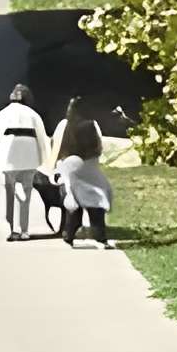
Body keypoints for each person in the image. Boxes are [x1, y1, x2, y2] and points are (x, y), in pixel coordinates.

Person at [0, 83, 51, 242]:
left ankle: (10, 229)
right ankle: (24, 230)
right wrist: (45, 161)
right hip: (30, 159)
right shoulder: (33, 115)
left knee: (9, 193)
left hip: (8, 158)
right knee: (26, 195)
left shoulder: (3, 114)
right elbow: (43, 139)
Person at [51, 98, 114, 247]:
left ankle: (68, 234)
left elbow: (55, 145)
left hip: (68, 166)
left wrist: (57, 168)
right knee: (96, 202)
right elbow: (99, 147)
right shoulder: (92, 124)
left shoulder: (63, 124)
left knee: (75, 201)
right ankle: (100, 237)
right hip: (87, 165)